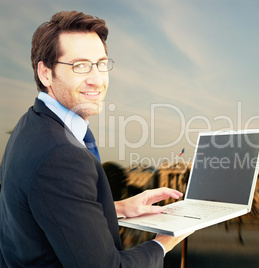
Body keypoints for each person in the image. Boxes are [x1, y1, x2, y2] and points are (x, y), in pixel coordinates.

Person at [0, 11, 190, 267]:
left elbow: (49, 206)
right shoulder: (61, 155)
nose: (97, 79)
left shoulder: (32, 123)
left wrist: (118, 208)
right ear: (46, 73)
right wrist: (163, 242)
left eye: (101, 63)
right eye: (80, 66)